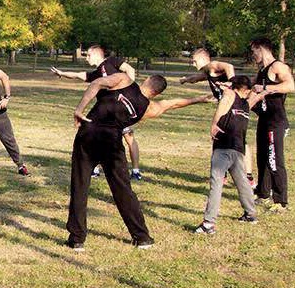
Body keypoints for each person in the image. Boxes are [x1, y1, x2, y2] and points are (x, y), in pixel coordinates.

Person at [68, 72, 212, 250]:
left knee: (80, 186)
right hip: (112, 143)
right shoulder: (149, 108)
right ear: (157, 93)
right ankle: (142, 238)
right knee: (123, 190)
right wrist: (199, 99)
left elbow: (97, 82)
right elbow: (173, 103)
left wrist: (79, 109)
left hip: (88, 134)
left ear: (147, 80)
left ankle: (77, 239)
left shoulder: (124, 80)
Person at [52, 44, 145, 180]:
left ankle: (136, 171)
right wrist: (62, 73)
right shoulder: (96, 73)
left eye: (88, 55)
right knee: (95, 136)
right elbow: (78, 75)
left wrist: (131, 90)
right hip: (105, 112)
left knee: (128, 137)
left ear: (96, 54)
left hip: (119, 109)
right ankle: (95, 168)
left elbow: (129, 69)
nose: (86, 58)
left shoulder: (111, 61)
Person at [196, 76, 259, 235]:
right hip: (238, 149)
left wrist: (214, 124)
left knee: (216, 182)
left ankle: (208, 223)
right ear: (246, 89)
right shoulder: (246, 104)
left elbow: (223, 104)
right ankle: (250, 214)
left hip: (224, 146)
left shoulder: (231, 95)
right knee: (242, 182)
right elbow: (258, 93)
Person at [250, 37, 293, 212]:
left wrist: (267, 89)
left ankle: (281, 201)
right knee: (262, 158)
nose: (253, 56)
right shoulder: (261, 70)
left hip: (276, 121)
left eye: (253, 52)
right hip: (264, 120)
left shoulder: (278, 67)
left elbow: (291, 85)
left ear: (261, 49)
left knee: (274, 159)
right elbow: (251, 87)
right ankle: (263, 194)